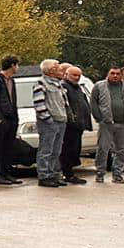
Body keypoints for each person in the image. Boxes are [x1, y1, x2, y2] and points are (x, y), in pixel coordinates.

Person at [32, 58, 69, 187]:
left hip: (61, 121)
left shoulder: (58, 84)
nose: (61, 69)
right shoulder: (41, 84)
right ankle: (44, 176)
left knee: (56, 151)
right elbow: (39, 104)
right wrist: (48, 120)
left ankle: (54, 174)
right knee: (46, 150)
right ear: (51, 70)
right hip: (49, 122)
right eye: (58, 67)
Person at [0, 56, 22, 185]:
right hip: (1, 119)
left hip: (11, 118)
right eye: (17, 65)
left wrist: (15, 117)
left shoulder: (12, 81)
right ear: (12, 65)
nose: (18, 68)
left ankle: (7, 173)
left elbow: (13, 100)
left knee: (8, 147)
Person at [90, 67, 124, 184]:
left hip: (122, 124)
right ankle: (100, 173)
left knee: (121, 150)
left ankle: (117, 174)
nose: (115, 76)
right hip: (106, 124)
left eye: (118, 74)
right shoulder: (99, 86)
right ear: (107, 74)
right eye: (112, 73)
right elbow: (93, 103)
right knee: (103, 149)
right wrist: (99, 118)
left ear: (121, 75)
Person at [61, 64, 92, 184]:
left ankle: (69, 173)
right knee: (67, 150)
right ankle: (67, 174)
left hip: (79, 125)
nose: (77, 77)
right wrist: (72, 118)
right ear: (66, 75)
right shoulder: (64, 86)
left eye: (79, 75)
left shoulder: (78, 87)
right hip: (70, 125)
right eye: (74, 75)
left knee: (74, 150)